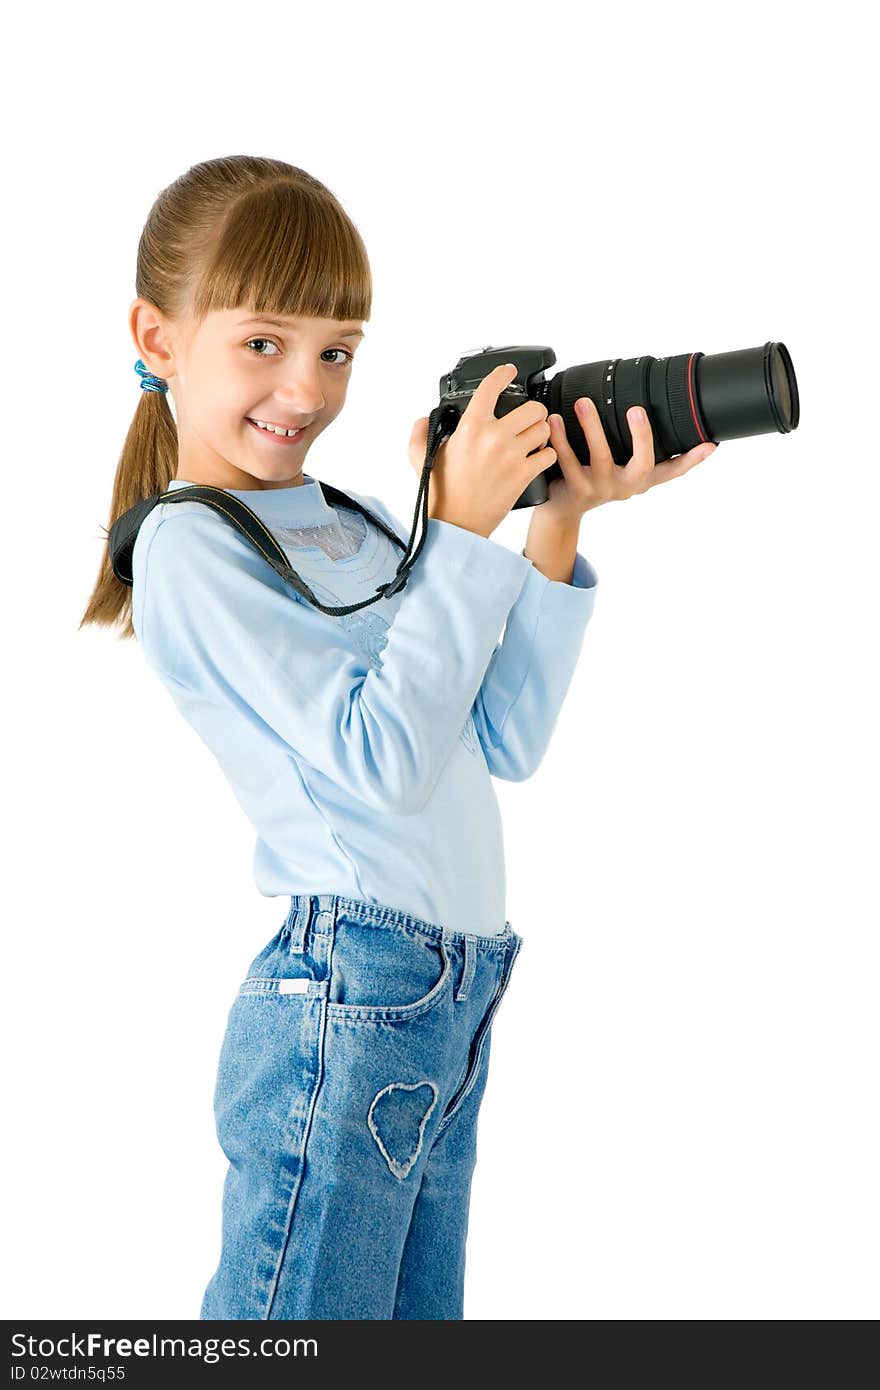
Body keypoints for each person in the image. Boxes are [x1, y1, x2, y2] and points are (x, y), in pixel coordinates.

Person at [80, 154, 717, 1321]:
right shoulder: (187, 546)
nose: (307, 388)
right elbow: (375, 763)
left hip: (448, 991)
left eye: (337, 350)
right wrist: (463, 530)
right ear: (159, 338)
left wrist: (554, 520)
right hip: (349, 988)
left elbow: (500, 738)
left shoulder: (360, 521)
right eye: (263, 343)